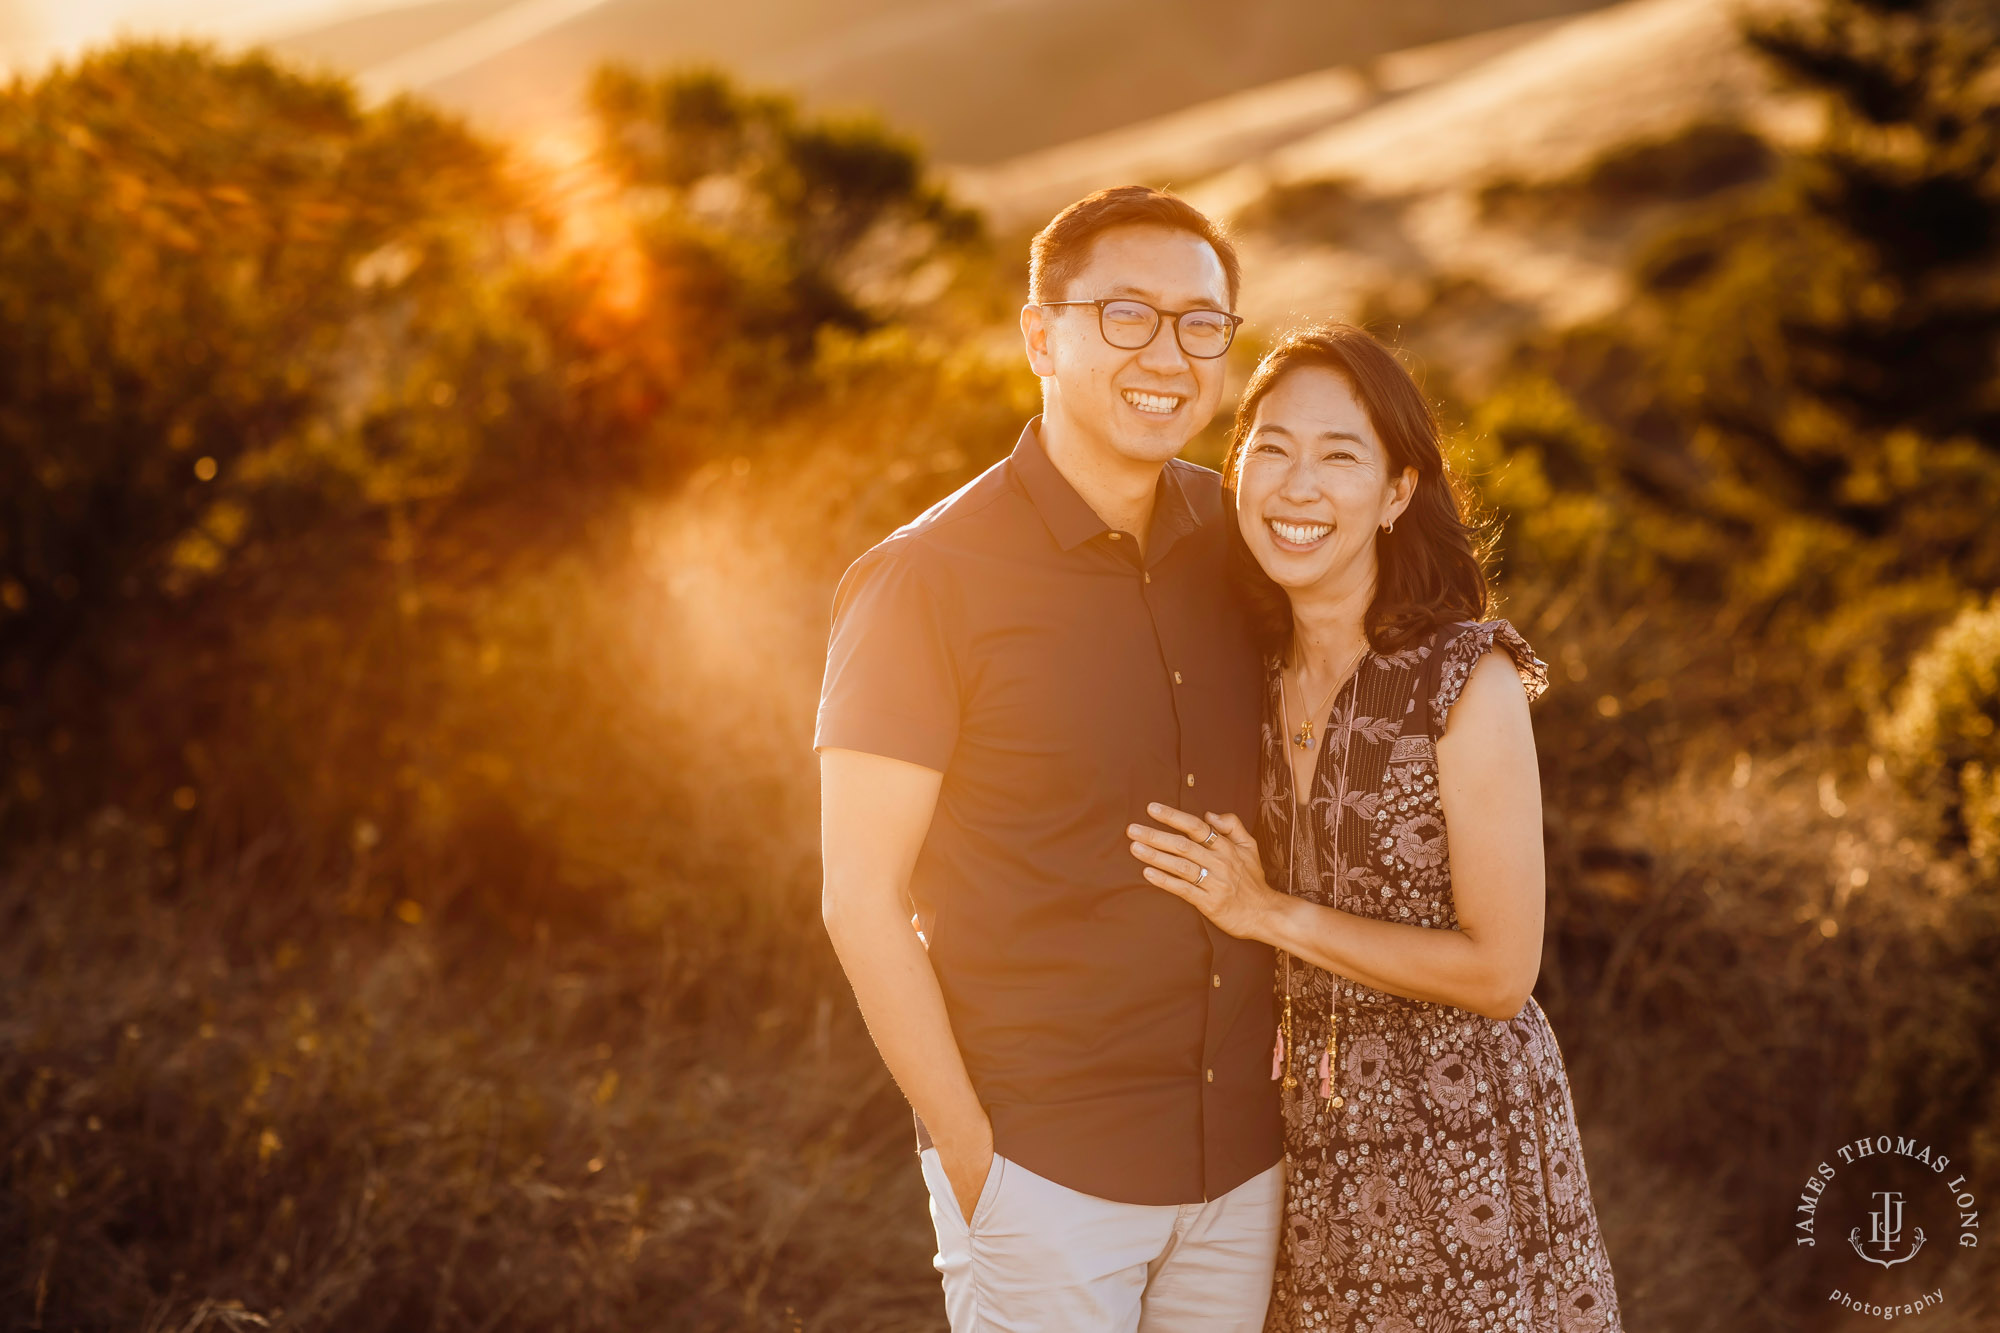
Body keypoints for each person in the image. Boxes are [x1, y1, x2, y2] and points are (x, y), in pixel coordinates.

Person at [815, 185, 1285, 1330]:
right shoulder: (924, 580)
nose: (1167, 354)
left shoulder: (1248, 543)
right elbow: (859, 899)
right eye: (1124, 314)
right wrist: (981, 1168)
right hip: (1046, 1176)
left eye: (1199, 322)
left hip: (1240, 1171)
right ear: (1040, 334)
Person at [1125, 325, 1625, 1332]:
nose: (1295, 485)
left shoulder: (1463, 678)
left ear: (1397, 492)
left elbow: (1498, 972)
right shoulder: (1242, 670)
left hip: (1465, 1140)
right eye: (1268, 447)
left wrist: (1269, 913)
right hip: (1301, 1144)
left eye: (1338, 455)